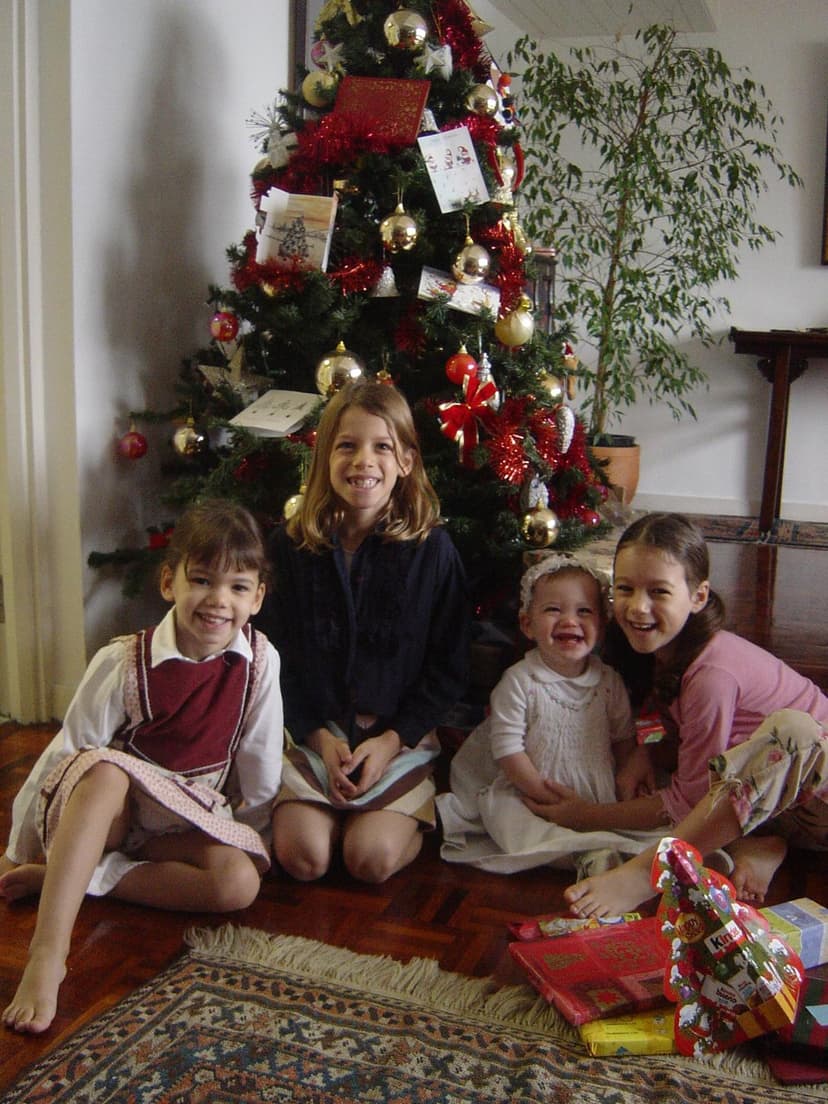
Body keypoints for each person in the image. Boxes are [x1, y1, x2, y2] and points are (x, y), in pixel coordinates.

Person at [0, 499, 284, 1034]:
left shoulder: (261, 662)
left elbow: (261, 763)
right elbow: (66, 753)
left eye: (238, 587)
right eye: (201, 579)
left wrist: (253, 838)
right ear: (167, 582)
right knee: (106, 771)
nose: (218, 601)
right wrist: (18, 847)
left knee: (237, 885)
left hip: (183, 818)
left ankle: (73, 876)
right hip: (107, 812)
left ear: (257, 598)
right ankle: (48, 952)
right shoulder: (123, 660)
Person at [518, 513, 828, 918]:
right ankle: (759, 841)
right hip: (782, 808)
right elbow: (693, 748)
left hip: (817, 802)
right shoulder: (665, 651)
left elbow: (691, 798)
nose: (637, 607)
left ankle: (647, 872)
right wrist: (648, 754)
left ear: (698, 597)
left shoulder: (713, 671)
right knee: (662, 781)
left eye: (659, 592)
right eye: (625, 589)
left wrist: (588, 817)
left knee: (794, 732)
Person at [257, 379, 470, 885]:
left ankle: (402, 816)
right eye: (347, 446)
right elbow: (272, 656)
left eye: (382, 447)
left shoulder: (434, 551)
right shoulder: (288, 548)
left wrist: (392, 740)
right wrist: (319, 737)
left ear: (406, 462)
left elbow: (450, 666)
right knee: (303, 857)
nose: (363, 462)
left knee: (368, 860)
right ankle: (329, 813)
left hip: (398, 738)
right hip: (313, 733)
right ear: (325, 458)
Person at [437, 553, 663, 877]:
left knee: (645, 829)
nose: (570, 620)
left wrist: (623, 788)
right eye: (553, 610)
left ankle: (605, 846)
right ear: (527, 624)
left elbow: (623, 739)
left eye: (584, 611)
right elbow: (509, 751)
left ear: (601, 625)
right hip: (532, 789)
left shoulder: (609, 682)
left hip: (596, 789)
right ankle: (584, 856)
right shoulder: (520, 682)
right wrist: (546, 797)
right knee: (514, 826)